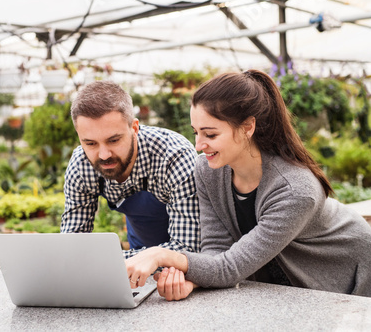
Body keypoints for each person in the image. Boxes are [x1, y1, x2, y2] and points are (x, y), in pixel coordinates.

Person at [126, 69, 371, 299]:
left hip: (344, 275)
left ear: (247, 127)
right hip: (287, 288)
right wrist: (195, 281)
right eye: (196, 132)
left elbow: (229, 267)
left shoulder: (295, 190)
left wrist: (159, 254)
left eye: (210, 134)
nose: (199, 145)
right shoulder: (208, 171)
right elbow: (216, 250)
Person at [60, 80, 201, 258]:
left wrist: (111, 260)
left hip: (181, 265)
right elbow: (73, 243)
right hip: (138, 250)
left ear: (134, 128)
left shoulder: (173, 157)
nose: (103, 154)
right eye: (90, 143)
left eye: (114, 140)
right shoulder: (81, 165)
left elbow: (187, 249)